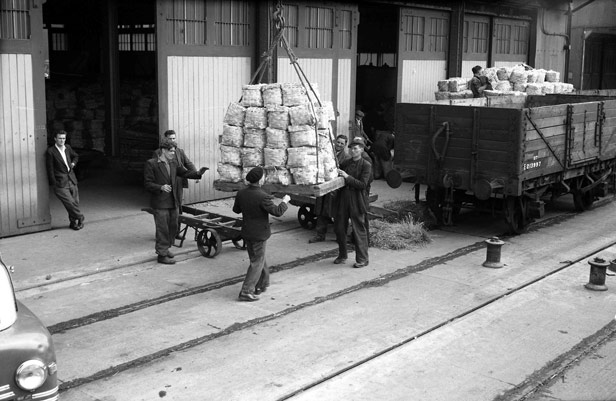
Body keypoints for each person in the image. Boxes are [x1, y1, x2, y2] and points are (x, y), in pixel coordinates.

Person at [144, 138, 208, 265]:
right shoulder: (152, 164)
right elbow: (147, 183)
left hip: (173, 201)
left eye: (174, 151)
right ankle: (161, 255)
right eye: (171, 151)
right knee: (163, 229)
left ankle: (166, 248)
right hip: (160, 203)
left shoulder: (173, 163)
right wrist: (160, 187)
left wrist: (198, 173)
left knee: (173, 228)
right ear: (163, 150)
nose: (173, 153)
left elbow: (184, 172)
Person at [233, 167, 291, 301]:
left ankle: (262, 284)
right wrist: (285, 201)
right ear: (260, 180)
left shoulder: (241, 193)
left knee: (259, 259)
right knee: (257, 262)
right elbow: (277, 212)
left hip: (247, 231)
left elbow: (236, 210)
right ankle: (246, 291)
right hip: (259, 234)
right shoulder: (263, 196)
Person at [333, 137, 372, 268]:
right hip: (343, 197)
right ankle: (342, 255)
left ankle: (362, 259)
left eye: (356, 148)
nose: (353, 150)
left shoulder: (366, 165)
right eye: (351, 148)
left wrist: (347, 177)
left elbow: (362, 184)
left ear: (361, 150)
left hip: (357, 198)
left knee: (358, 229)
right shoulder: (346, 163)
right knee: (339, 227)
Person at [309, 135, 352, 243]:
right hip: (324, 185)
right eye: (338, 142)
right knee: (321, 211)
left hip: (336, 189)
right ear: (335, 141)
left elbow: (345, 176)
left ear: (345, 145)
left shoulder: (346, 158)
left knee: (337, 213)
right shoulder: (328, 153)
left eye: (342, 143)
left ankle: (340, 237)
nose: (339, 145)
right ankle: (320, 235)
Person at [46, 130, 85, 230]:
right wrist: (54, 183)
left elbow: (76, 156)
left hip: (72, 179)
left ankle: (73, 223)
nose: (62, 140)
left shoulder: (67, 147)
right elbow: (50, 169)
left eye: (63, 138)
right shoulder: (51, 151)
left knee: (75, 203)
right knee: (70, 203)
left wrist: (73, 163)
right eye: (60, 138)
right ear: (55, 139)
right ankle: (80, 217)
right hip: (61, 182)